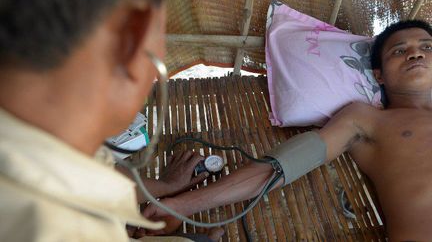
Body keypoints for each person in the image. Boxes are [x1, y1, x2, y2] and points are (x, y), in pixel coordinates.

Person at [143, 20, 432, 241]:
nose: (415, 54)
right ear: (379, 75)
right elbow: (284, 165)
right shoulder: (367, 119)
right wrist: (181, 204)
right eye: (400, 50)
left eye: (427, 47)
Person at [0, 0, 224, 241]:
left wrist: (164, 187)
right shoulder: (66, 230)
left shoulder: (52, 138)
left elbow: (93, 171)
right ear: (132, 36)